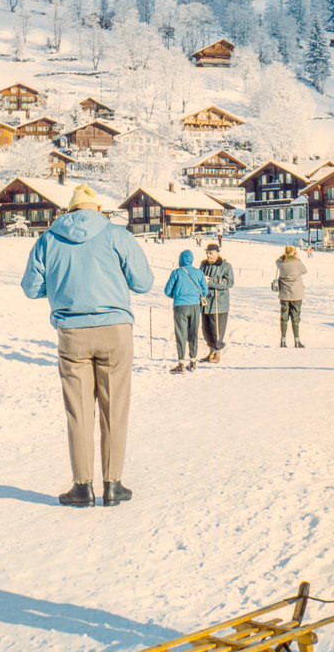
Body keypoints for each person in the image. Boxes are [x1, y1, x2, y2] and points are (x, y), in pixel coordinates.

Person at [21, 184, 154, 508]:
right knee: (115, 410)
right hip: (115, 332)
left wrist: (62, 288)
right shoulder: (117, 235)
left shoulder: (49, 239)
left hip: (72, 332)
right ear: (97, 209)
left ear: (70, 210)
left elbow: (31, 288)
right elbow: (143, 282)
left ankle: (81, 488)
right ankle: (112, 484)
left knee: (78, 413)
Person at [164, 249, 208, 373]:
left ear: (180, 260)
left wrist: (176, 295)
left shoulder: (176, 273)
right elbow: (205, 291)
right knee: (193, 333)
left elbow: (167, 291)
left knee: (181, 334)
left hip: (180, 306)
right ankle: (193, 361)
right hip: (195, 306)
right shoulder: (199, 273)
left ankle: (181, 363)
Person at [199, 242, 234, 363]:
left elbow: (229, 282)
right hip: (205, 303)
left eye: (211, 253)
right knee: (206, 329)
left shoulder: (225, 266)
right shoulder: (203, 266)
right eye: (207, 253)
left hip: (219, 303)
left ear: (217, 253)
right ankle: (211, 352)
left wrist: (212, 281)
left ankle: (217, 353)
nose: (208, 255)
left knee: (217, 330)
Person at [275, 244, 307, 347]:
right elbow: (304, 271)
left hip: (284, 293)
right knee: (295, 317)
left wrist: (284, 256)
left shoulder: (281, 263)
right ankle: (297, 341)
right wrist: (296, 257)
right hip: (296, 293)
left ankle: (283, 340)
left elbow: (277, 261)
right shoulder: (297, 262)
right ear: (294, 252)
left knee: (284, 317)